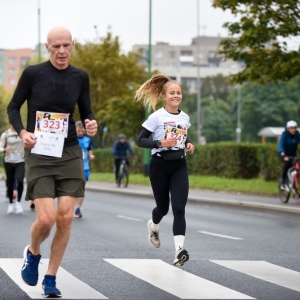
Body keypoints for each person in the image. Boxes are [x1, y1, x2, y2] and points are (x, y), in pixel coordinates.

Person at [7, 26, 97, 298]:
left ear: (73, 45)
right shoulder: (34, 73)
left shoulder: (80, 76)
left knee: (66, 217)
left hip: (69, 151)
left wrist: (91, 124)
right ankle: (33, 253)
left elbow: (87, 110)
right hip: (40, 152)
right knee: (46, 219)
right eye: (56, 46)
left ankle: (51, 277)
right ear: (47, 47)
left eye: (66, 46)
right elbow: (13, 106)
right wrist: (23, 132)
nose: (61, 51)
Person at [135, 74, 195, 266]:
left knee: (179, 208)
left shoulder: (185, 117)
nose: (176, 96)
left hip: (179, 165)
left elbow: (184, 138)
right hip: (159, 165)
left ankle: (179, 251)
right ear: (164, 96)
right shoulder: (156, 116)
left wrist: (190, 145)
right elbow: (140, 140)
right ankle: (153, 225)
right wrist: (160, 142)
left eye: (179, 93)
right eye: (172, 93)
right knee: (163, 208)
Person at [0, 125, 25, 214]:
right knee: (10, 182)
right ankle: (11, 203)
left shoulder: (23, 133)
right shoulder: (5, 134)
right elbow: (0, 147)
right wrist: (5, 149)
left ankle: (18, 202)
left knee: (20, 180)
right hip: (9, 161)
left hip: (20, 160)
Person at [74, 121, 95, 218]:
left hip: (84, 166)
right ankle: (70, 206)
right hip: (72, 166)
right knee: (72, 187)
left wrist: (91, 155)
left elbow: (90, 149)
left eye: (82, 131)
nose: (81, 132)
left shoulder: (87, 139)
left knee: (81, 188)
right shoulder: (71, 139)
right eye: (79, 131)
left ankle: (78, 208)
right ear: (75, 129)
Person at [278, 120, 300, 188]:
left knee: (297, 167)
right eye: (292, 128)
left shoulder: (297, 134)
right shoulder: (284, 135)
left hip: (293, 154)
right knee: (287, 164)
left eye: (295, 128)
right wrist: (283, 154)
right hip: (284, 154)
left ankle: (295, 181)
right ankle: (283, 178)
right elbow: (281, 145)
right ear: (288, 129)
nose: (294, 130)